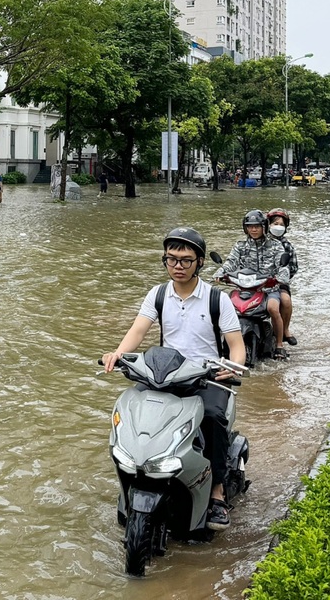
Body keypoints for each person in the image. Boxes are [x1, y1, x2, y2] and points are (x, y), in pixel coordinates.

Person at [101, 227, 246, 531]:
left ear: (200, 262)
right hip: (164, 373)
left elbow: (236, 346)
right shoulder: (158, 294)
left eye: (186, 260)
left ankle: (217, 493)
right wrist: (117, 354)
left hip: (206, 377)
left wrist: (232, 368)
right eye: (171, 259)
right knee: (133, 412)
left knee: (213, 417)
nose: (178, 266)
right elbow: (138, 330)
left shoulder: (216, 300)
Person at [213, 210, 291, 361]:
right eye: (250, 226)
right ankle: (216, 343)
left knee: (273, 308)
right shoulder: (240, 245)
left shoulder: (275, 245)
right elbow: (231, 262)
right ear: (245, 228)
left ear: (264, 227)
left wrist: (280, 277)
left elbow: (283, 266)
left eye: (257, 226)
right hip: (243, 288)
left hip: (268, 288)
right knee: (220, 306)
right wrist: (220, 272)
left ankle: (280, 345)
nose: (253, 229)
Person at [266, 208, 298, 349]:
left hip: (279, 283)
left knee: (286, 301)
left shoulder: (287, 246)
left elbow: (293, 267)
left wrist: (281, 277)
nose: (278, 227)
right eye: (275, 223)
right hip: (256, 282)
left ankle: (284, 330)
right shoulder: (260, 241)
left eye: (281, 224)